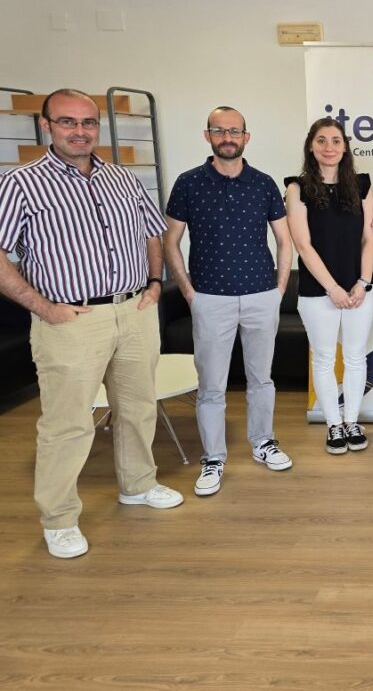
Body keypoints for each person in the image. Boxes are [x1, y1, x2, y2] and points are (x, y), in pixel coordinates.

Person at [0, 88, 183, 559]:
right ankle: (59, 519)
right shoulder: (21, 183)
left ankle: (138, 484)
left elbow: (152, 233)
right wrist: (44, 307)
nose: (79, 131)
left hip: (134, 311)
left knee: (138, 407)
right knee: (67, 425)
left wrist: (154, 282)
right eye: (67, 121)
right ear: (47, 126)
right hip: (70, 320)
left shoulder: (123, 178)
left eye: (87, 123)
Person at [163, 106, 293, 497]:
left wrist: (279, 288)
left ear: (246, 137)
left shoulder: (263, 183)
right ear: (208, 136)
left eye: (234, 131)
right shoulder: (188, 183)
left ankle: (263, 442)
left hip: (261, 295)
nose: (227, 138)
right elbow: (171, 241)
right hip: (209, 298)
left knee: (262, 379)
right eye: (220, 131)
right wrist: (188, 291)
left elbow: (284, 240)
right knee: (211, 386)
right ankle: (213, 458)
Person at [285, 118, 373, 455]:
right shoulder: (297, 188)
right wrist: (333, 289)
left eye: (336, 140)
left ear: (345, 146)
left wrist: (362, 282)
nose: (329, 147)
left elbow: (369, 238)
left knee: (355, 357)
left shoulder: (362, 186)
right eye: (321, 140)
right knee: (324, 359)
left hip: (359, 289)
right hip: (318, 291)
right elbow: (303, 245)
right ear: (311, 146)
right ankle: (333, 425)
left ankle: (351, 421)